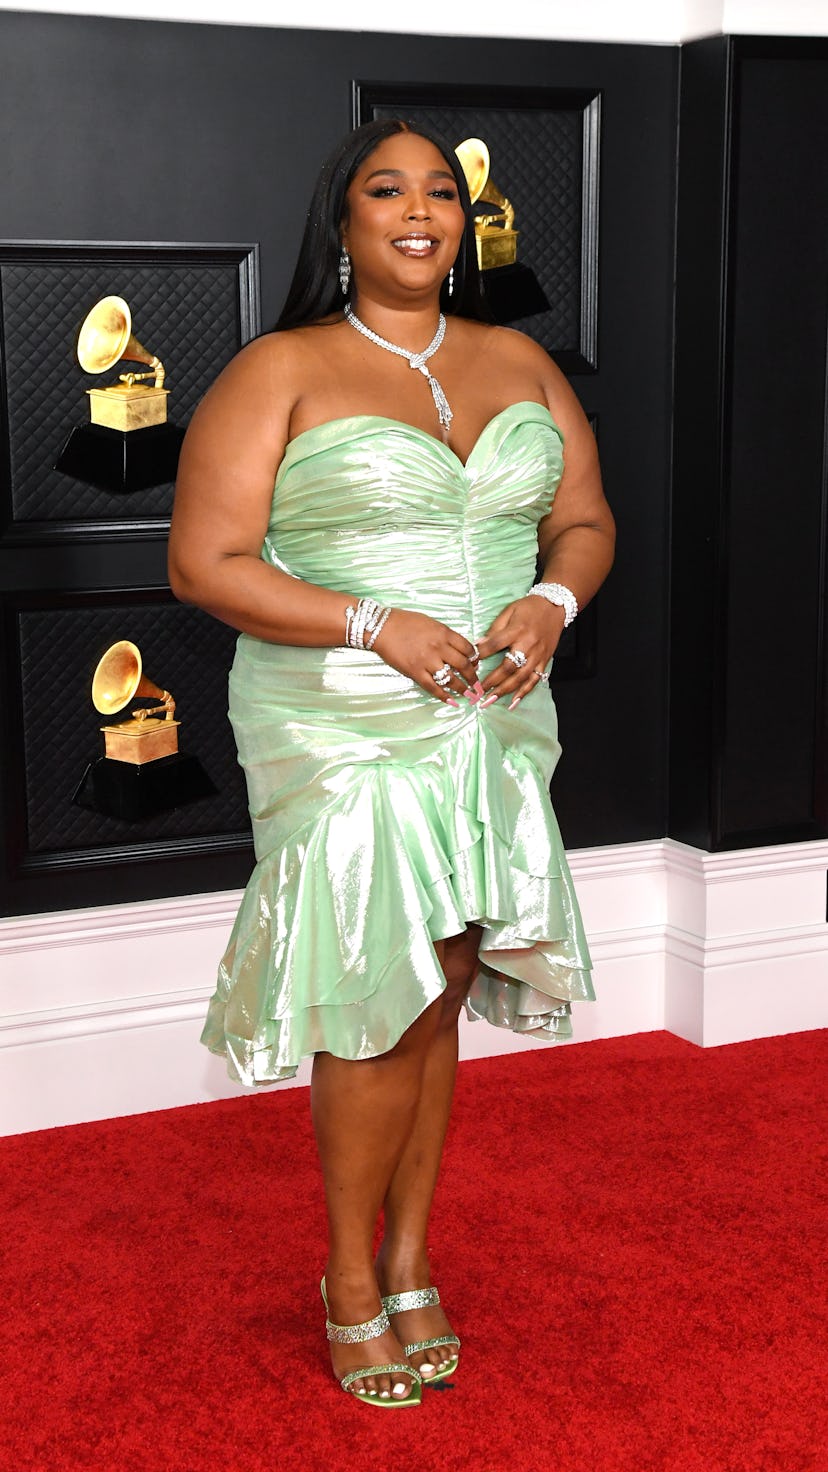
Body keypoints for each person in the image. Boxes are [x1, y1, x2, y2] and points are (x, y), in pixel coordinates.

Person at [168, 118, 615, 1410]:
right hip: (341, 715)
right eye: (387, 190)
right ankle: (349, 1279)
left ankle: (412, 1259)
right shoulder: (281, 368)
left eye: (441, 194)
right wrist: (374, 623)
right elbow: (203, 564)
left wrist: (554, 604)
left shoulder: (520, 360)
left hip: (491, 713)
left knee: (446, 976)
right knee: (376, 988)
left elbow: (585, 521)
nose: (421, 211)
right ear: (344, 220)